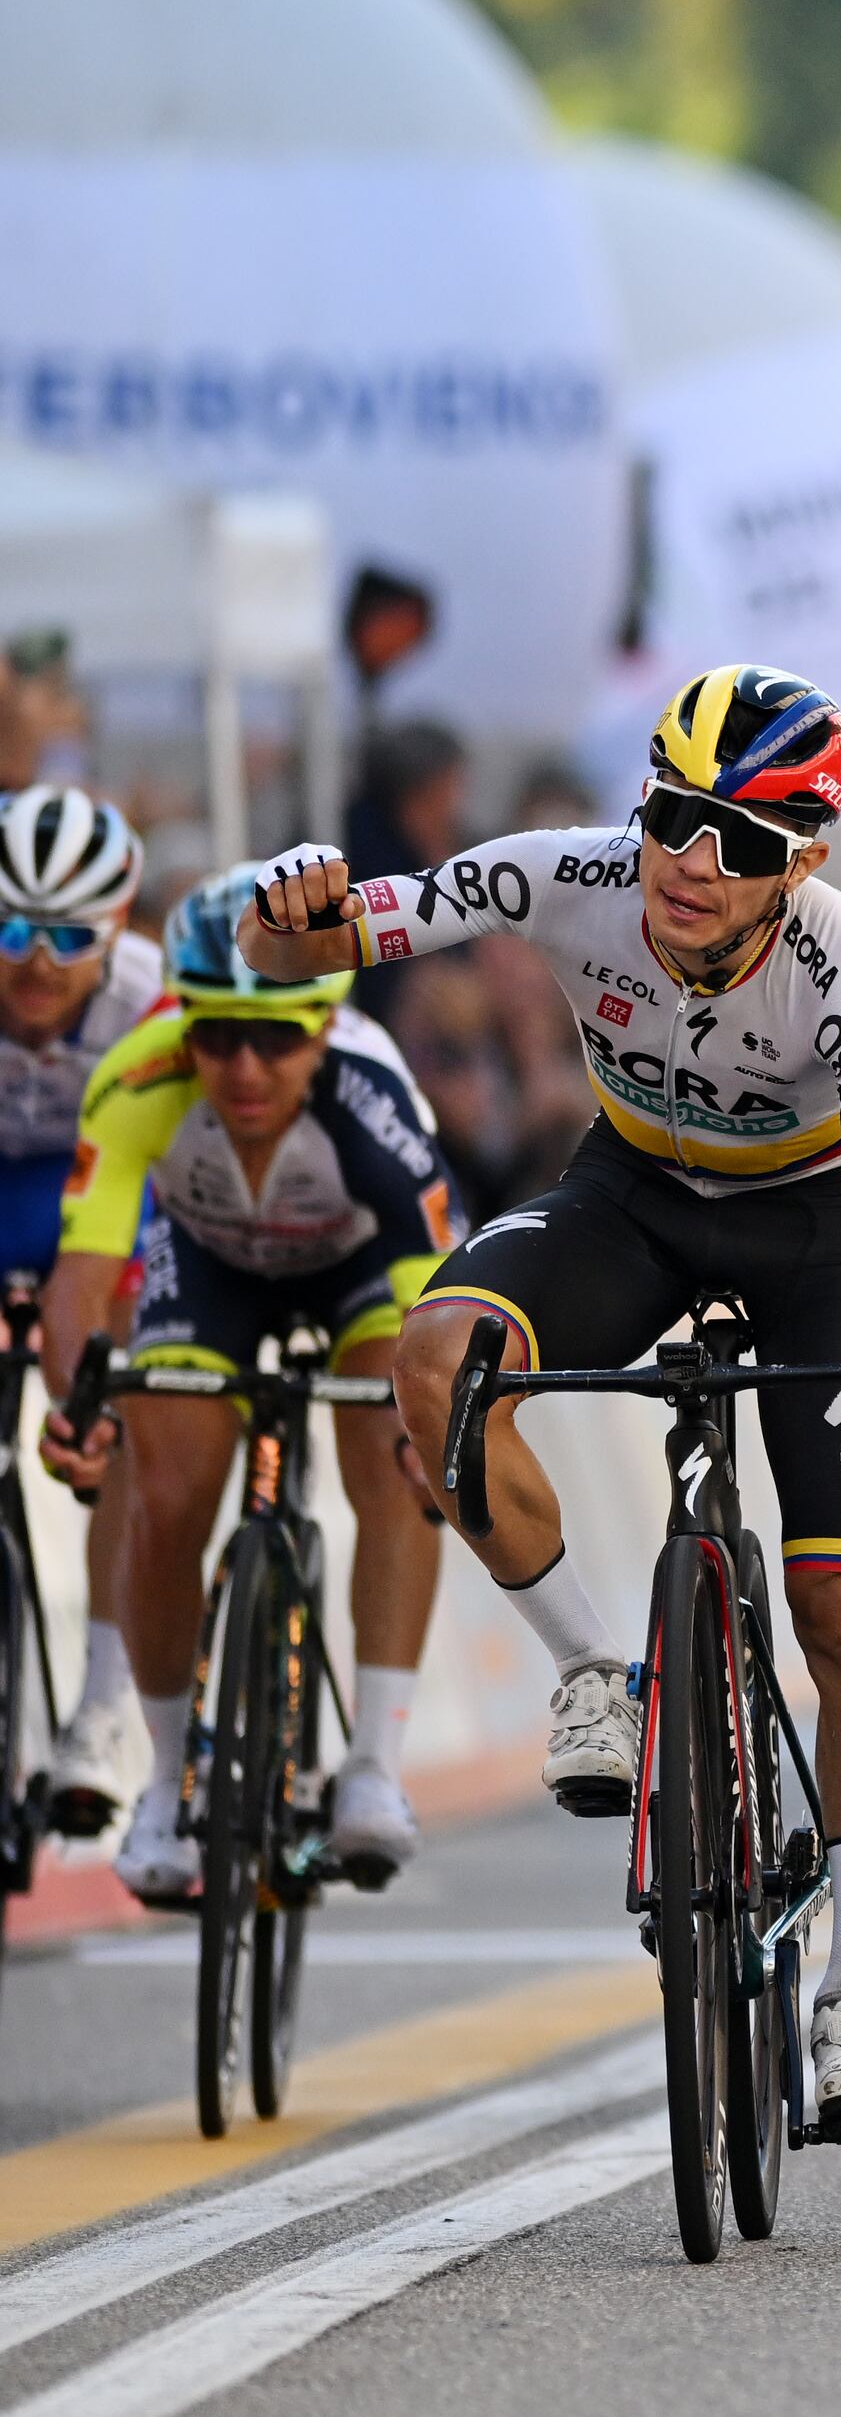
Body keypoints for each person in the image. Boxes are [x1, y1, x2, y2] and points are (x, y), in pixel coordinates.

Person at [248, 662, 841, 2145]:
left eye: (746, 843)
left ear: (803, 863)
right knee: (435, 1359)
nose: (696, 865)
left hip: (814, 1229)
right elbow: (323, 940)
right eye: (676, 819)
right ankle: (602, 1675)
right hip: (630, 1195)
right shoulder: (559, 874)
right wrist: (286, 911)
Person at [33, 876, 461, 1894]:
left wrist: (432, 1424)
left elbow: (433, 1309)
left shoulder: (374, 1096)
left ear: (327, 1020)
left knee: (402, 1460)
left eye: (276, 1039)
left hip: (362, 1274)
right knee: (166, 1490)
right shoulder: (137, 1081)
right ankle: (171, 1779)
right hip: (211, 1263)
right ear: (180, 1022)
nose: (243, 1067)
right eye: (216, 1035)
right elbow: (81, 1284)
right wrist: (73, 1409)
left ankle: (372, 1771)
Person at [0, 784, 163, 1834]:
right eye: (14, 928)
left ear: (116, 936)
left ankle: (104, 1705)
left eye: (70, 937)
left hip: (100, 1186)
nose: (40, 962)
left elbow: (149, 1192)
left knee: (124, 1392)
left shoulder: (155, 1002)